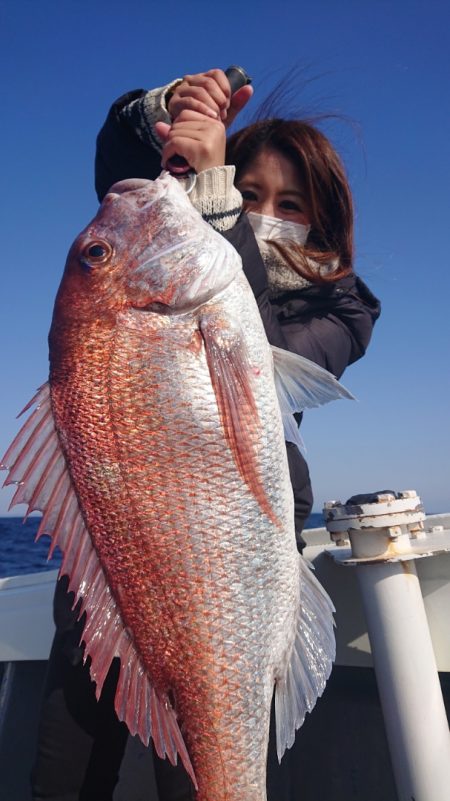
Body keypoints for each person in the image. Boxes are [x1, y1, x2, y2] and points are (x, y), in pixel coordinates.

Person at [32, 69, 380, 801]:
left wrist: (219, 204)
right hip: (120, 577)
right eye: (248, 192)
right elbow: (118, 172)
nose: (262, 212)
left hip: (231, 580)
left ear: (319, 226)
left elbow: (252, 333)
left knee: (201, 777)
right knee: (65, 770)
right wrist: (161, 115)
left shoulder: (339, 312)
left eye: (289, 205)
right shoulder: (185, 255)